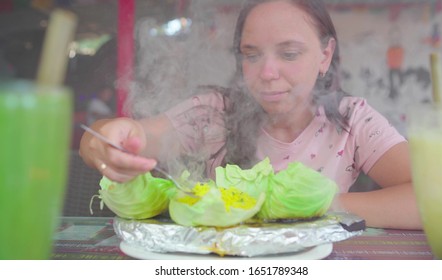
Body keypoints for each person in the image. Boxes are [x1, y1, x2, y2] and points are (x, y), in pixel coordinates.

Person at [79, 0, 422, 230]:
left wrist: (321, 203)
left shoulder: (352, 120)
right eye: (251, 55)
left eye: (289, 53)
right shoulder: (213, 113)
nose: (267, 72)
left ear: (325, 55)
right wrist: (108, 137)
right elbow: (129, 134)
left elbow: (431, 198)